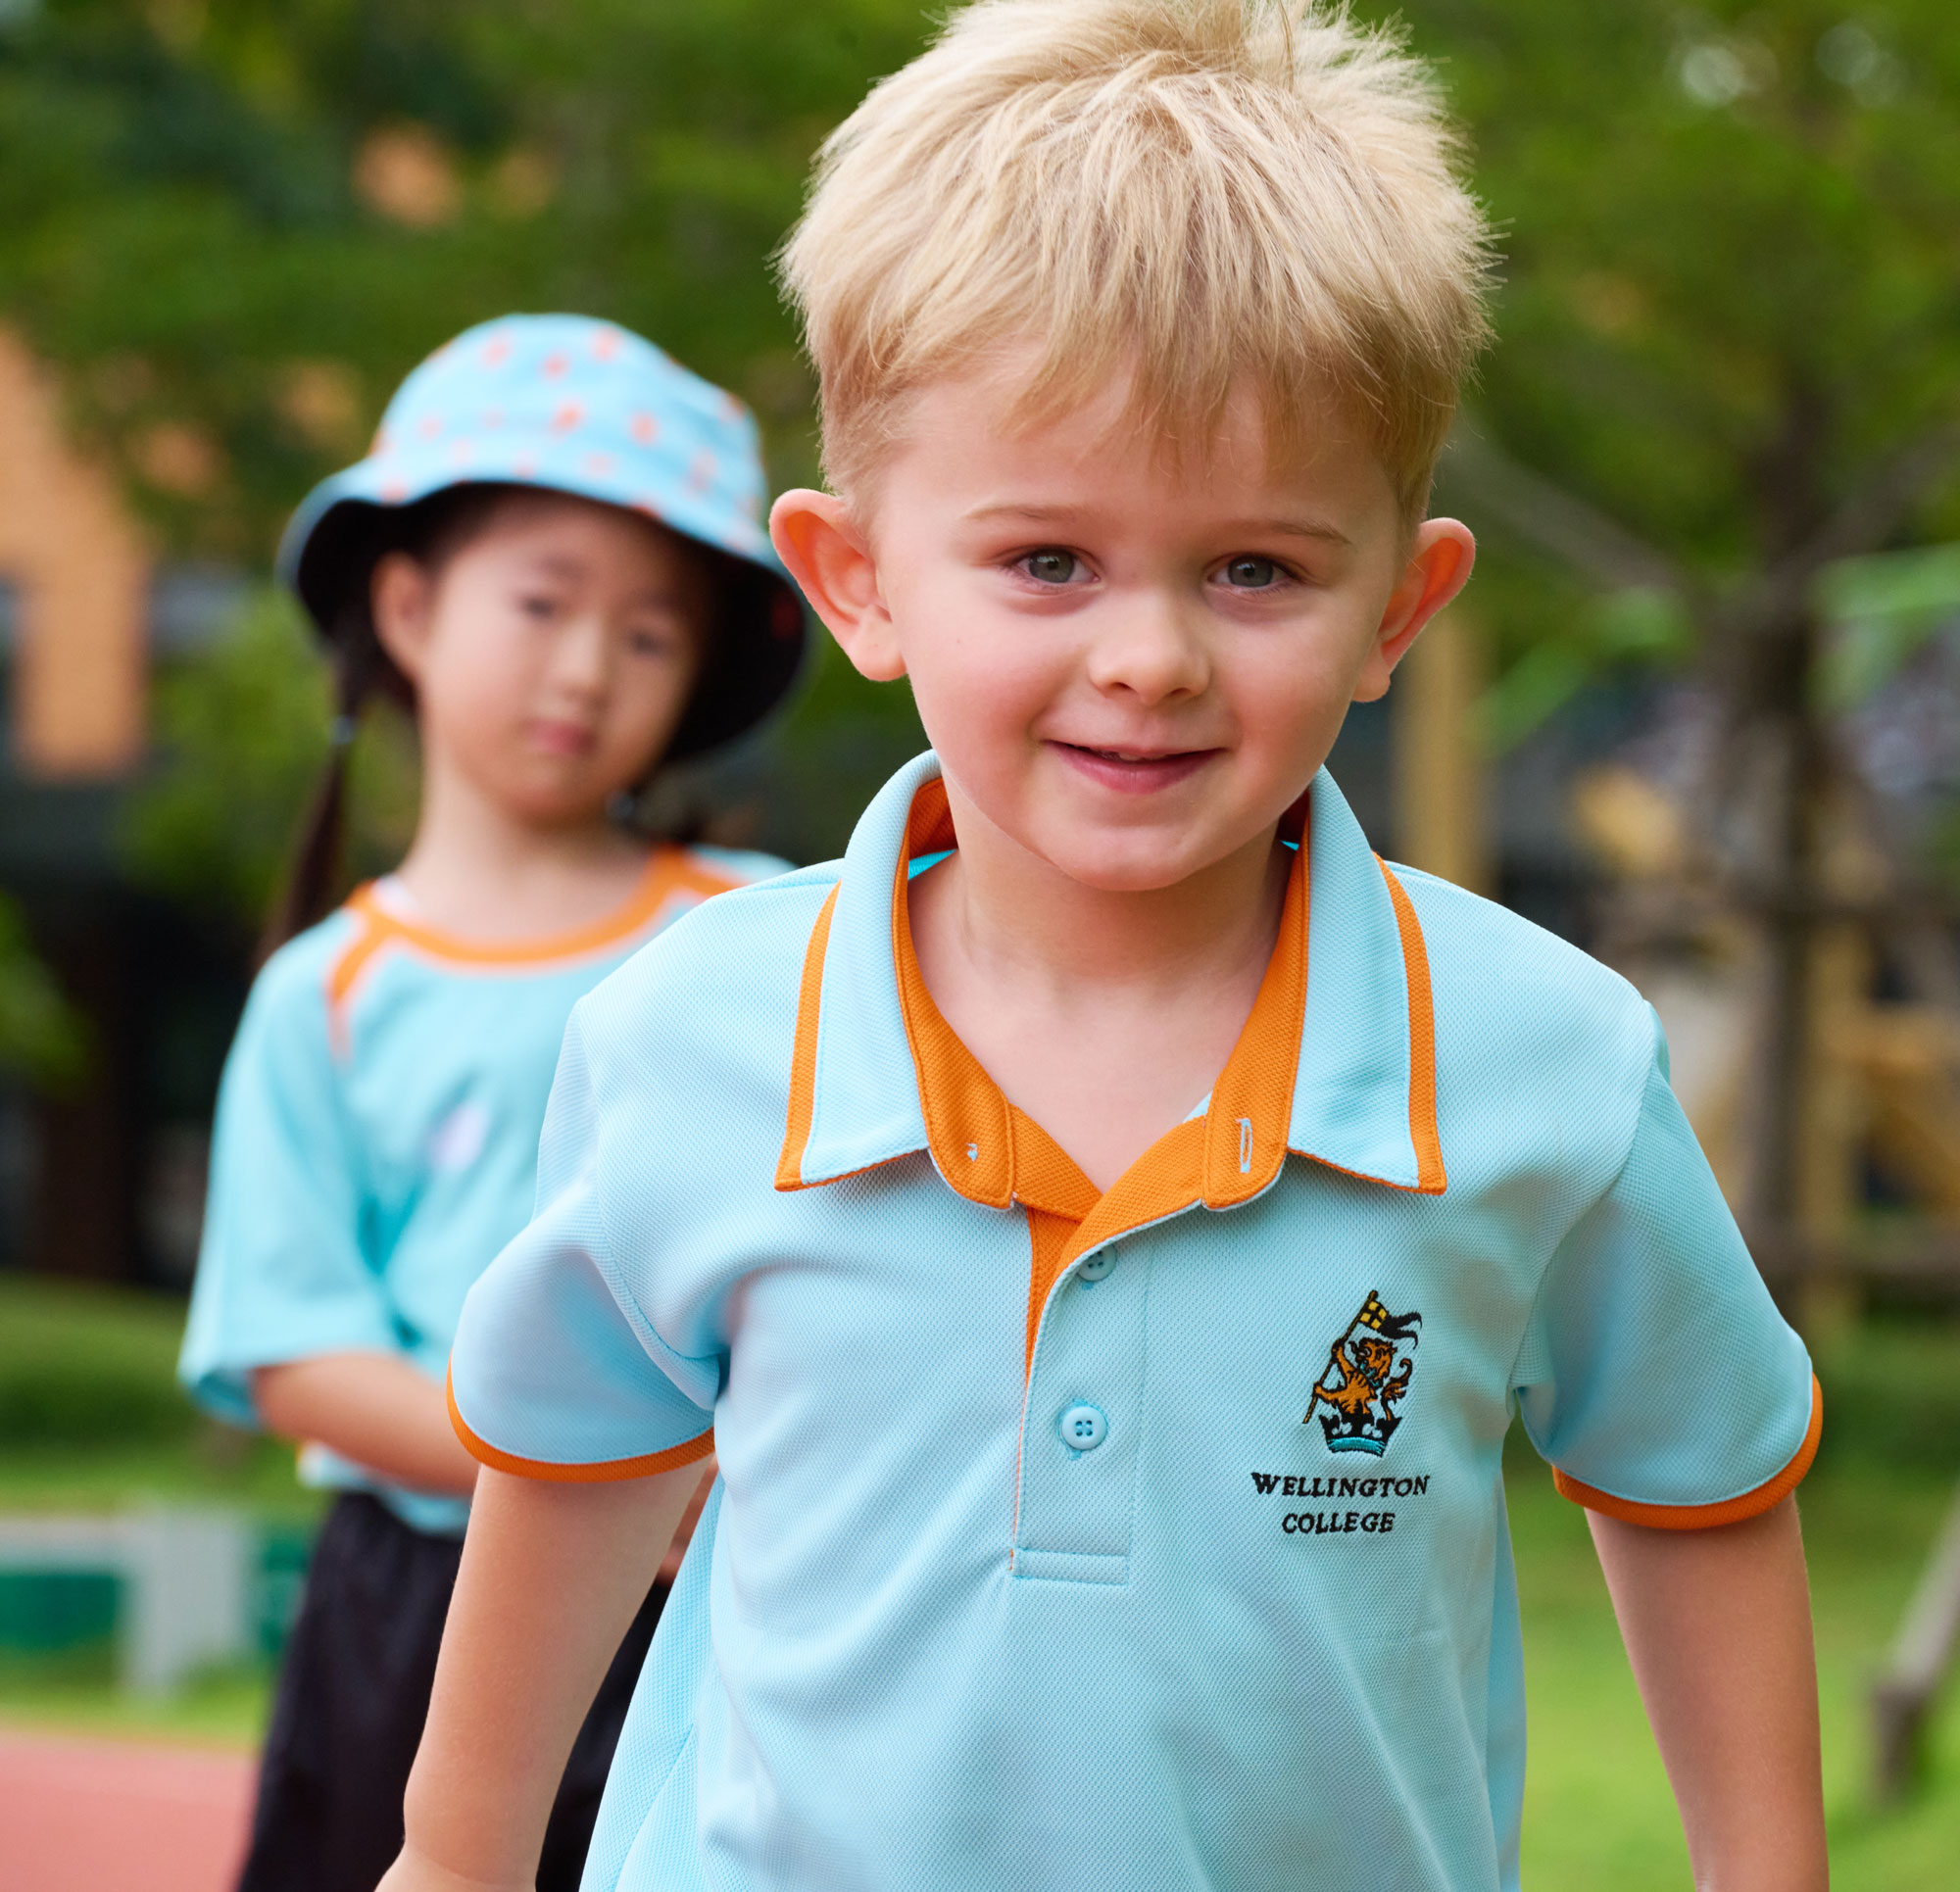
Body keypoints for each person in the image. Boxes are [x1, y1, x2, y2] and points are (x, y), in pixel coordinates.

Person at [391, 6, 1829, 1889]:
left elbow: (1696, 1483)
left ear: (1400, 606)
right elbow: (573, 1464)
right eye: (1049, 561)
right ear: (859, 579)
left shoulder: (1546, 1064)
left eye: (1254, 570)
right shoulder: (694, 1036)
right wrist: (454, 1859)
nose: (1146, 657)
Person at [177, 312, 803, 1892]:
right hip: (412, 1604)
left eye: (652, 634)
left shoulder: (764, 934)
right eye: (543, 602)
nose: (589, 667)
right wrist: (584, 1466)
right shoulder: (323, 994)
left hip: (717, 1589)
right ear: (406, 604)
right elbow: (293, 1352)